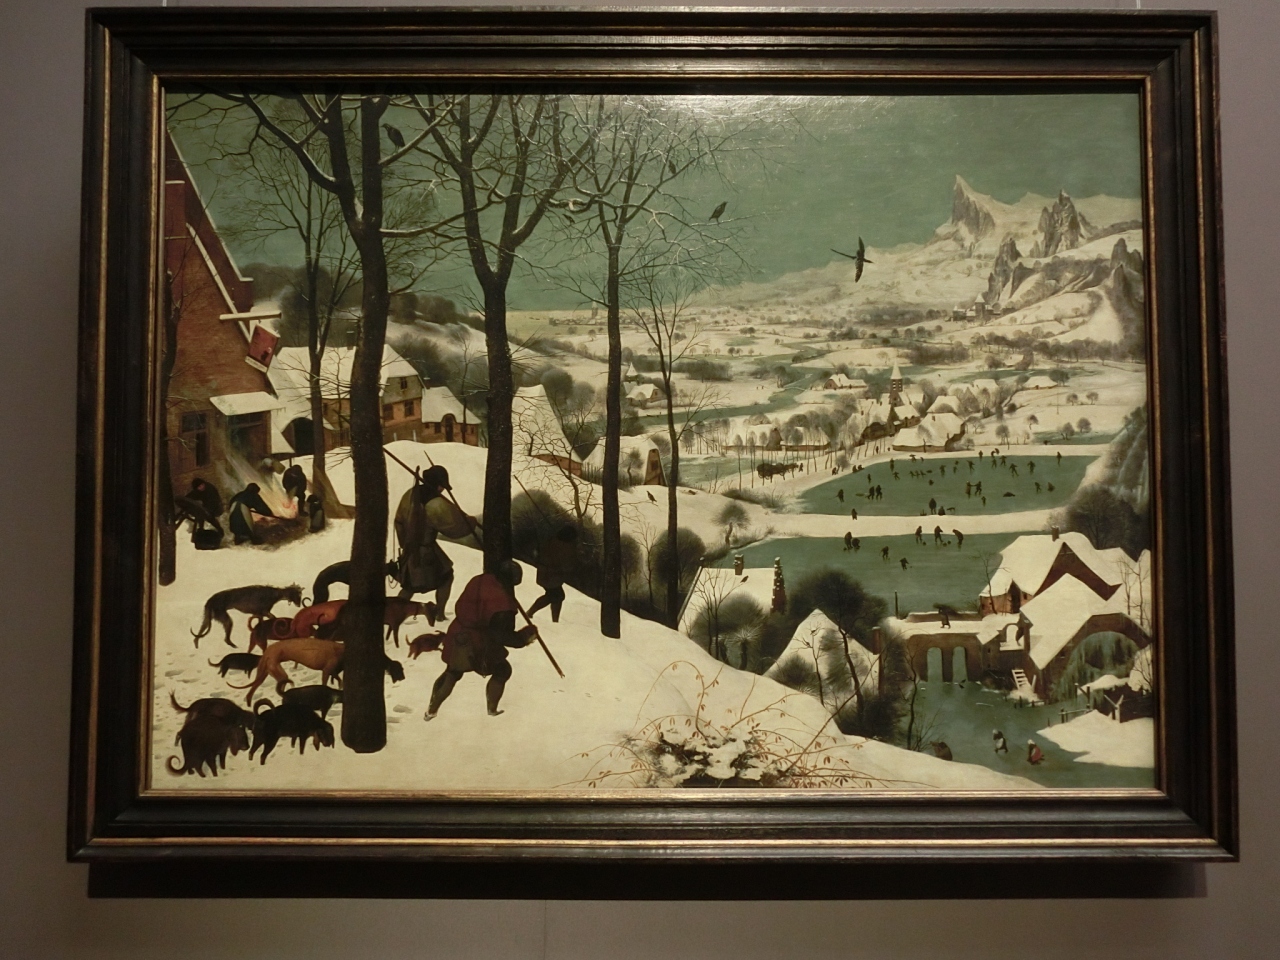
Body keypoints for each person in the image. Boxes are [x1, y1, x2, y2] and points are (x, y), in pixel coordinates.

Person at [423, 561, 538, 720]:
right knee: (503, 670)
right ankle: (492, 709)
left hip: (458, 632)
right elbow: (501, 636)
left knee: (452, 672)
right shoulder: (503, 604)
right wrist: (525, 636)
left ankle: (431, 710)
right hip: (478, 641)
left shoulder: (480, 580)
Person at [394, 465, 477, 619]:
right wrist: (470, 522)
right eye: (441, 486)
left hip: (409, 549)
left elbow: (398, 521)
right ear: (437, 485)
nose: (443, 489)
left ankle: (395, 613)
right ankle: (439, 614)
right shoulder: (436, 504)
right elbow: (455, 528)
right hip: (425, 552)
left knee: (409, 585)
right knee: (446, 577)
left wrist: (405, 544)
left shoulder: (410, 494)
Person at [527, 525, 578, 623]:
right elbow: (564, 562)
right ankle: (532, 613)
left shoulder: (553, 541)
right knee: (555, 596)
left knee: (556, 596)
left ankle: (552, 619)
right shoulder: (562, 546)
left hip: (547, 574)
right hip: (550, 575)